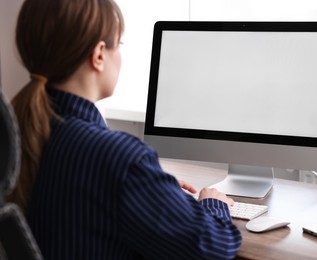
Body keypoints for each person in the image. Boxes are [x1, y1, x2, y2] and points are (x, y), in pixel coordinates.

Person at [6, 0, 242, 259]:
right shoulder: (117, 158)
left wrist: (149, 185)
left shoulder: (16, 131)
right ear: (98, 55)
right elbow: (215, 247)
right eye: (118, 44)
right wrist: (213, 203)